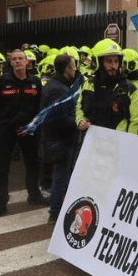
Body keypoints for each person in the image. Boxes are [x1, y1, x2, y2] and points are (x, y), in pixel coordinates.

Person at [0, 49, 47, 219]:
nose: (18, 61)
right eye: (14, 59)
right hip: (6, 130)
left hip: (28, 131)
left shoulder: (35, 82)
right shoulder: (2, 81)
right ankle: (0, 203)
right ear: (10, 63)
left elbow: (40, 109)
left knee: (33, 164)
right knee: (2, 167)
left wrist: (36, 128)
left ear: (27, 62)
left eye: (21, 58)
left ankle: (34, 195)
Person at [40, 53, 79, 224]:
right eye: (74, 66)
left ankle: (59, 208)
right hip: (60, 139)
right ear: (67, 69)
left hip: (57, 138)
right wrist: (77, 124)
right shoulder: (58, 89)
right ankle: (55, 212)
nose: (76, 69)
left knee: (62, 175)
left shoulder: (56, 85)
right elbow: (58, 117)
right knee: (61, 176)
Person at [75, 39, 138, 135]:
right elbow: (79, 108)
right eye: (109, 61)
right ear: (99, 62)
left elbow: (137, 119)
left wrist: (129, 142)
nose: (114, 66)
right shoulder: (88, 85)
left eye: (116, 61)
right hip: (92, 141)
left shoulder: (129, 88)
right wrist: (80, 121)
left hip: (117, 143)